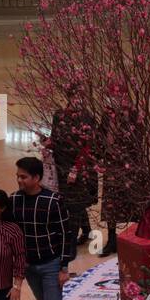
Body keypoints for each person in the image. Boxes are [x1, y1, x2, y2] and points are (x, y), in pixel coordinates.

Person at [12, 156, 76, 300]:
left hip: (51, 264)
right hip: (30, 266)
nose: (19, 180)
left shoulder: (53, 200)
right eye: (18, 176)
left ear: (36, 178)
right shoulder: (14, 201)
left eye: (24, 176)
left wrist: (64, 267)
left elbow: (65, 234)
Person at [49, 99, 98, 247]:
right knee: (72, 201)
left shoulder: (87, 117)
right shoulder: (59, 115)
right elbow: (55, 139)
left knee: (75, 202)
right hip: (62, 165)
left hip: (80, 166)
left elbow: (88, 145)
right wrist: (47, 143)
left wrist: (76, 169)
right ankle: (87, 231)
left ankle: (70, 240)